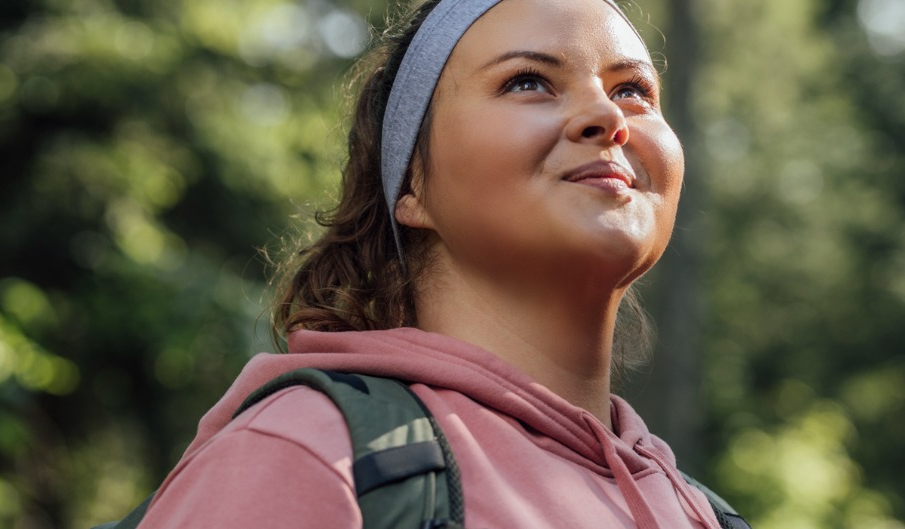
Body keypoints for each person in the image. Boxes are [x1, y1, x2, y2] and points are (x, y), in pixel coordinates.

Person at [136, 0, 727, 527]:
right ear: (411, 183)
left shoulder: (701, 513)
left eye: (634, 91)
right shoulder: (307, 454)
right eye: (528, 81)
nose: (609, 117)